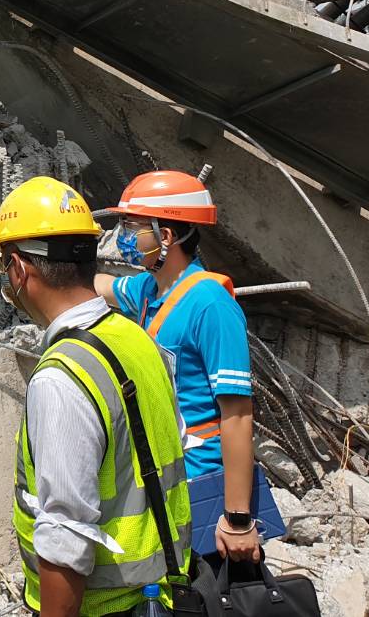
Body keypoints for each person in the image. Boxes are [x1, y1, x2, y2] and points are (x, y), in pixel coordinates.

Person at [0, 176, 191, 617]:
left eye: (6, 269)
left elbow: (66, 537)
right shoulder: (135, 338)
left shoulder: (62, 377)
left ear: (20, 269)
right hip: (166, 592)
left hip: (107, 606)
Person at [94, 170, 263, 564]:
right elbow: (102, 285)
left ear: (166, 236)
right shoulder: (148, 291)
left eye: (132, 227)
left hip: (200, 483)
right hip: (165, 479)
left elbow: (237, 414)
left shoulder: (210, 304)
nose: (124, 237)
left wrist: (237, 520)